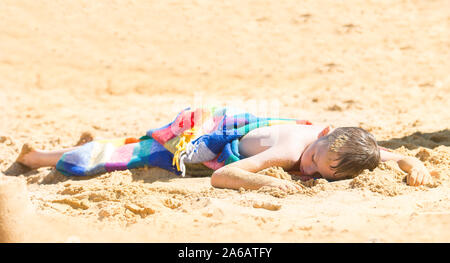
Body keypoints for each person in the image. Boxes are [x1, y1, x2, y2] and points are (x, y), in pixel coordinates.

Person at [15, 122, 432, 192]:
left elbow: (385, 154)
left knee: (131, 147)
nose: (308, 167)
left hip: (243, 126)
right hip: (206, 137)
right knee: (127, 156)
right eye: (314, 158)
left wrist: (414, 164)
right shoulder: (291, 150)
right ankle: (37, 157)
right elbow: (223, 176)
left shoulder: (341, 144)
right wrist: (273, 180)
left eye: (318, 173)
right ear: (322, 138)